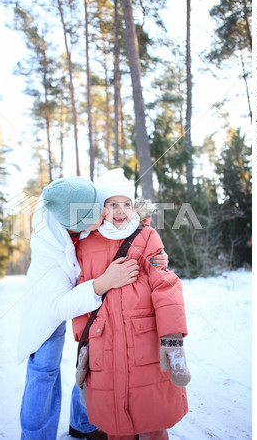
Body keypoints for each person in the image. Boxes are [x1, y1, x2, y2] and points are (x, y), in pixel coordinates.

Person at [17, 176, 168, 440]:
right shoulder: (48, 248)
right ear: (74, 223)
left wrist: (154, 255)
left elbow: (122, 211)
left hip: (89, 300)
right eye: (95, 214)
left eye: (100, 207)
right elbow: (59, 307)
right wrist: (103, 283)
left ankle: (82, 424)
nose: (103, 215)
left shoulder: (79, 198)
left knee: (91, 359)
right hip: (51, 304)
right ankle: (35, 436)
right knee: (44, 369)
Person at [73, 169, 191, 440]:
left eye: (126, 203)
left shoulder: (145, 236)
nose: (120, 210)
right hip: (104, 342)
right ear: (101, 208)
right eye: (112, 203)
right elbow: (82, 293)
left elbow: (165, 284)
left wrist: (172, 338)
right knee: (115, 425)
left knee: (153, 419)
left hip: (144, 341)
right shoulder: (86, 244)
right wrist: (84, 344)